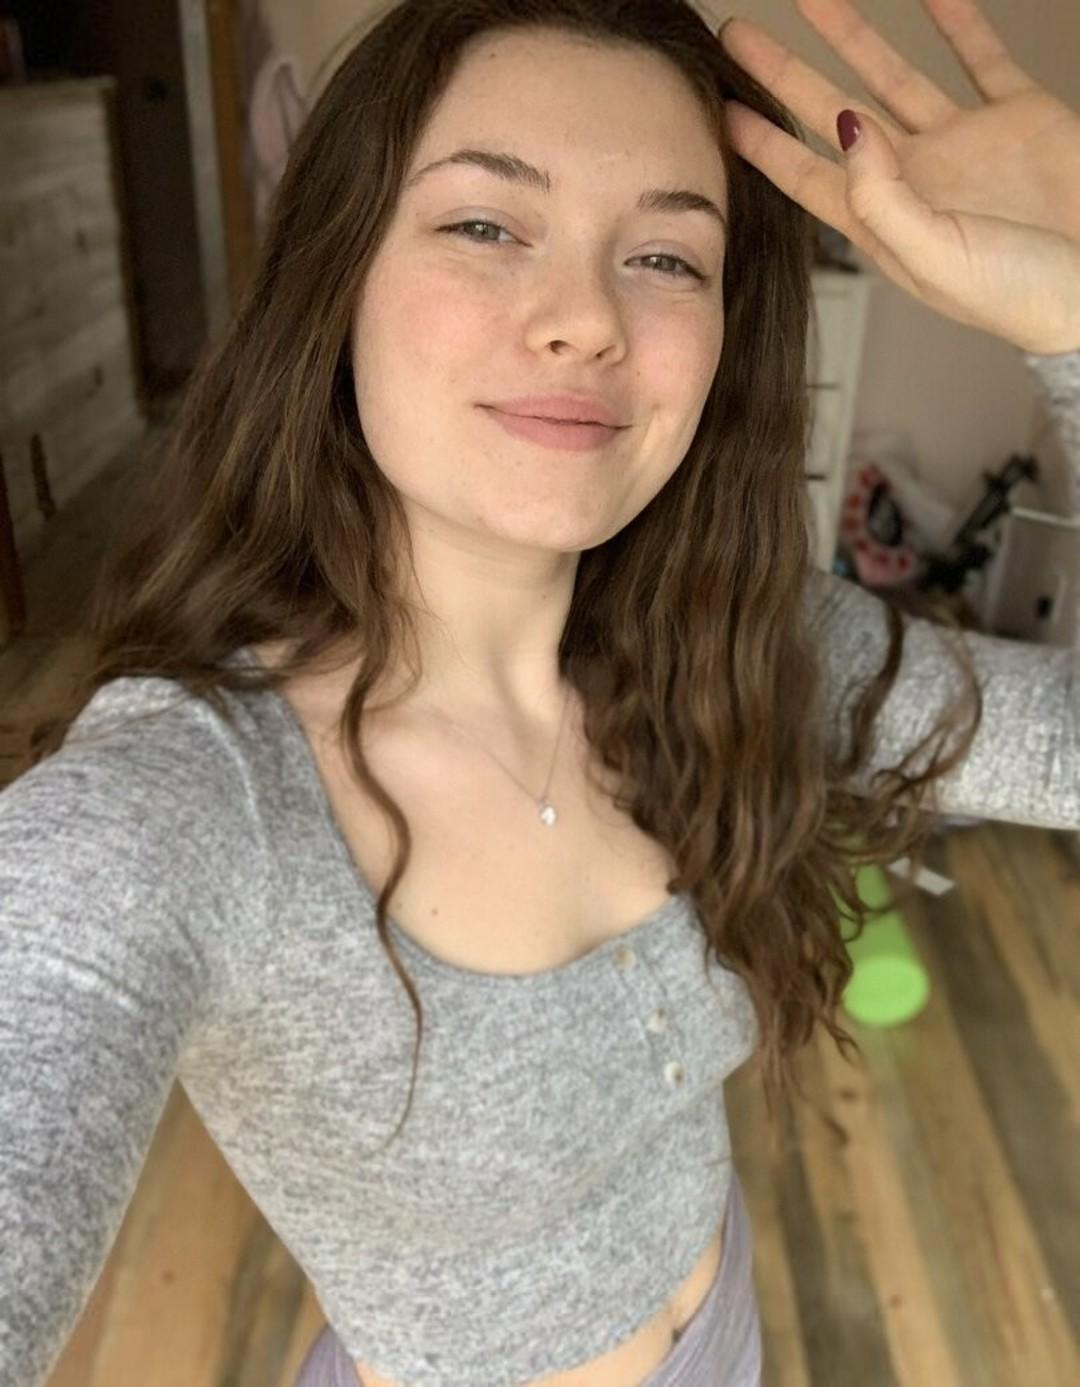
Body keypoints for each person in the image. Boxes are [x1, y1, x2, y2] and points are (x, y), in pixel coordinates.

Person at [1, 1, 1077, 1385]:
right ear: (337, 276)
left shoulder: (749, 647)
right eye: (484, 225)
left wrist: (1073, 316)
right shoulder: (177, 813)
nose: (584, 320)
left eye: (665, 255)